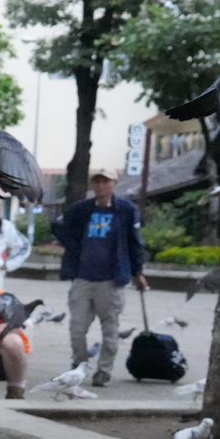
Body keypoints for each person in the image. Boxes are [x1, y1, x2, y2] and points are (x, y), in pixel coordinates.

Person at [55, 165, 148, 387]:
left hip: (111, 280)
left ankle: (104, 371)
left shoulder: (126, 210)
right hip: (82, 277)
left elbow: (135, 243)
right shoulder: (81, 209)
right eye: (97, 181)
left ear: (114, 184)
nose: (101, 186)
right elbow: (59, 227)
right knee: (77, 329)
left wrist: (137, 272)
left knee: (110, 330)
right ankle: (79, 366)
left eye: (106, 181)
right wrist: (74, 248)